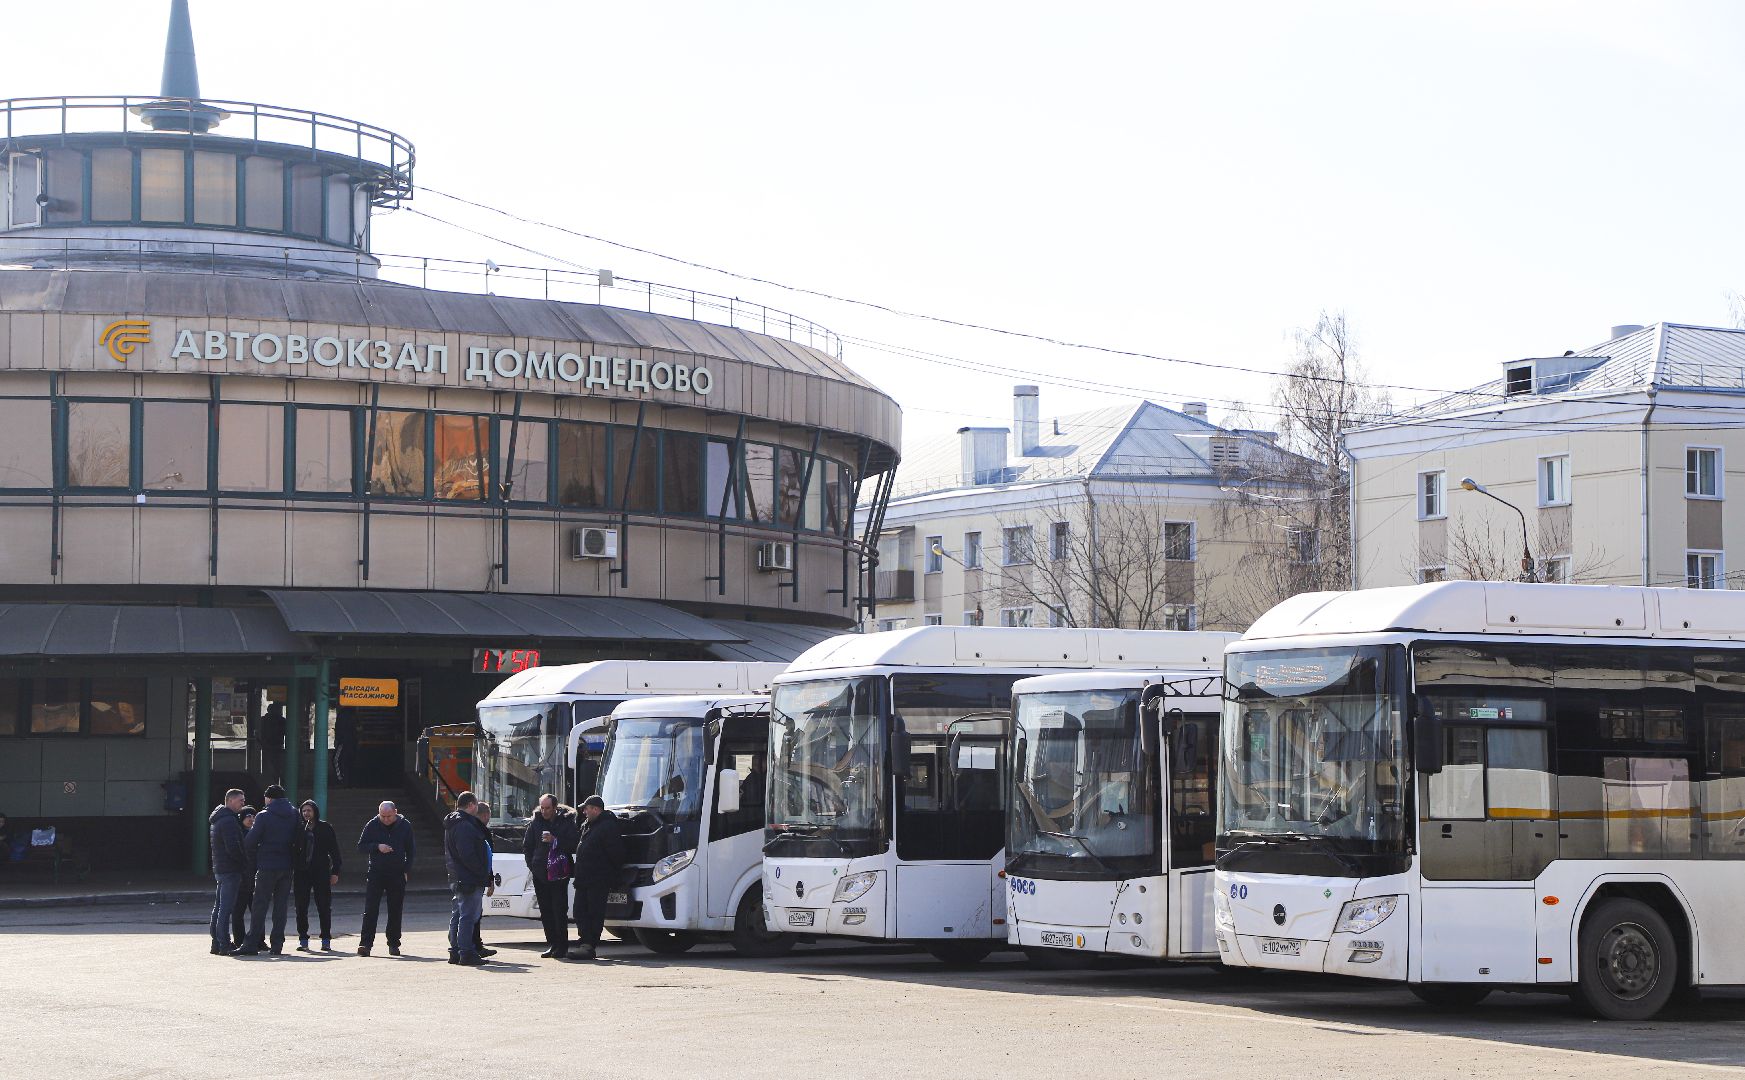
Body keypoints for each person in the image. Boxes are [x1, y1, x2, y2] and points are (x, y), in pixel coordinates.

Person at [237, 784, 298, 957]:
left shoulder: (264, 815)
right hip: (287, 865)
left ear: (269, 798)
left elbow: (250, 841)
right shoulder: (294, 813)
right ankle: (277, 944)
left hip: (267, 865)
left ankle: (251, 944)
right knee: (281, 906)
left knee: (260, 905)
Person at [523, 793, 580, 958]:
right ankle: (553, 944)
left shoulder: (566, 822)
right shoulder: (535, 823)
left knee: (559, 910)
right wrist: (533, 866)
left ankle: (562, 945)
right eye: (542, 808)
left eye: (548, 808)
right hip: (541, 873)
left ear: (555, 808)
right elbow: (527, 847)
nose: (545, 811)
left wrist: (556, 840)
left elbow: (574, 844)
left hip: (559, 873)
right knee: (546, 911)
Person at [570, 794, 626, 961]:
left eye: (586, 809)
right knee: (579, 911)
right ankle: (584, 942)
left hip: (597, 879)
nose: (584, 812)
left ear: (596, 809)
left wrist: (610, 874)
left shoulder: (608, 826)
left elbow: (616, 854)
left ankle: (589, 945)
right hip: (583, 879)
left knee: (594, 913)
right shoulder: (589, 825)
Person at [357, 800, 415, 956]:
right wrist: (377, 847)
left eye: (389, 816)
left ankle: (394, 943)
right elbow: (361, 846)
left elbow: (411, 851)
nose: (386, 819)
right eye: (382, 816)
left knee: (395, 909)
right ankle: (365, 944)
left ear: (395, 812)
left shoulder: (405, 826)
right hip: (376, 872)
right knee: (370, 909)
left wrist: (406, 869)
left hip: (397, 873)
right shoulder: (372, 824)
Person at [443, 790, 492, 967]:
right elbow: (468, 854)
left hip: (457, 876)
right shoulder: (465, 825)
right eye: (476, 804)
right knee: (468, 916)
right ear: (471, 805)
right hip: (468, 878)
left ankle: (455, 951)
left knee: (458, 914)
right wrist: (481, 873)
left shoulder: (453, 823)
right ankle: (466, 952)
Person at [294, 800, 342, 952]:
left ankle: (326, 939)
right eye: (303, 811)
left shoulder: (325, 828)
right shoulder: (298, 829)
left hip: (321, 871)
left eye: (309, 810)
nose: (306, 813)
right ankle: (303, 939)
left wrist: (335, 871)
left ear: (315, 811)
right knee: (301, 906)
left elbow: (334, 851)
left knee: (324, 906)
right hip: (302, 872)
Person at [207, 789, 247, 956]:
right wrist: (244, 862)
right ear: (230, 801)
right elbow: (233, 847)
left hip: (220, 868)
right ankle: (224, 944)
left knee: (219, 907)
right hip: (230, 869)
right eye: (240, 801)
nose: (243, 804)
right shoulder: (229, 821)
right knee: (226, 908)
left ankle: (216, 943)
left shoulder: (218, 819)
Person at [472, 802, 497, 959]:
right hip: (477, 877)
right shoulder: (481, 831)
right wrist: (489, 879)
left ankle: (474, 944)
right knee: (474, 914)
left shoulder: (469, 828)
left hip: (469, 876)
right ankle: (475, 945)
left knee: (470, 913)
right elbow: (487, 858)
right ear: (485, 815)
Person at [232, 806, 258, 948]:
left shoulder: (258, 834)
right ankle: (239, 940)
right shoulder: (238, 835)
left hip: (255, 878)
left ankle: (259, 941)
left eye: (253, 816)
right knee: (238, 912)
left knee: (257, 912)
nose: (250, 819)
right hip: (241, 879)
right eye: (247, 816)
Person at [260, 703, 286, 783]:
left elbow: (259, 732)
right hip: (278, 746)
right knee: (278, 766)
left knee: (268, 766)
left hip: (265, 746)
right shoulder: (282, 720)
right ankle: (278, 781)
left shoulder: (263, 720)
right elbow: (286, 732)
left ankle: (269, 782)